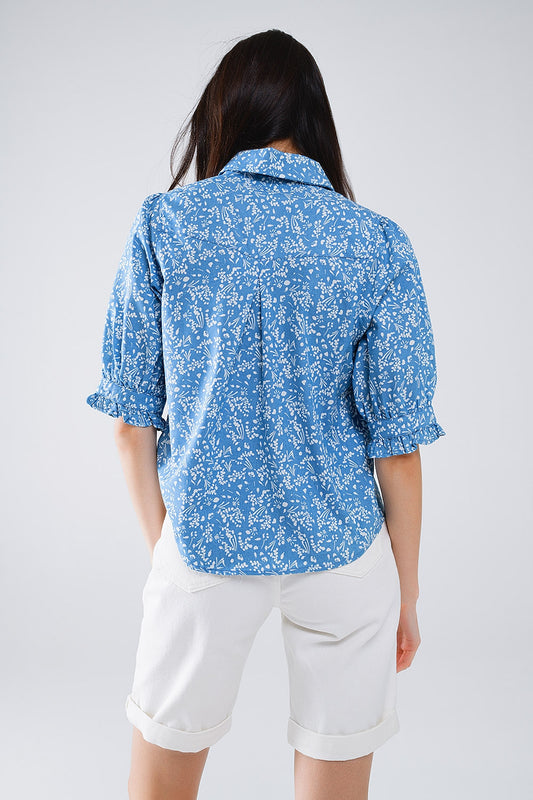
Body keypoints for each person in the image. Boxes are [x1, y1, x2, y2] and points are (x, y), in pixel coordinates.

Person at [86, 28, 446, 800]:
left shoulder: (167, 224)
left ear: (223, 115)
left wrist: (172, 556)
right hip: (343, 553)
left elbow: (129, 425)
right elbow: (398, 446)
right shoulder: (375, 242)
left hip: (203, 546)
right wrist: (406, 592)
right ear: (314, 120)